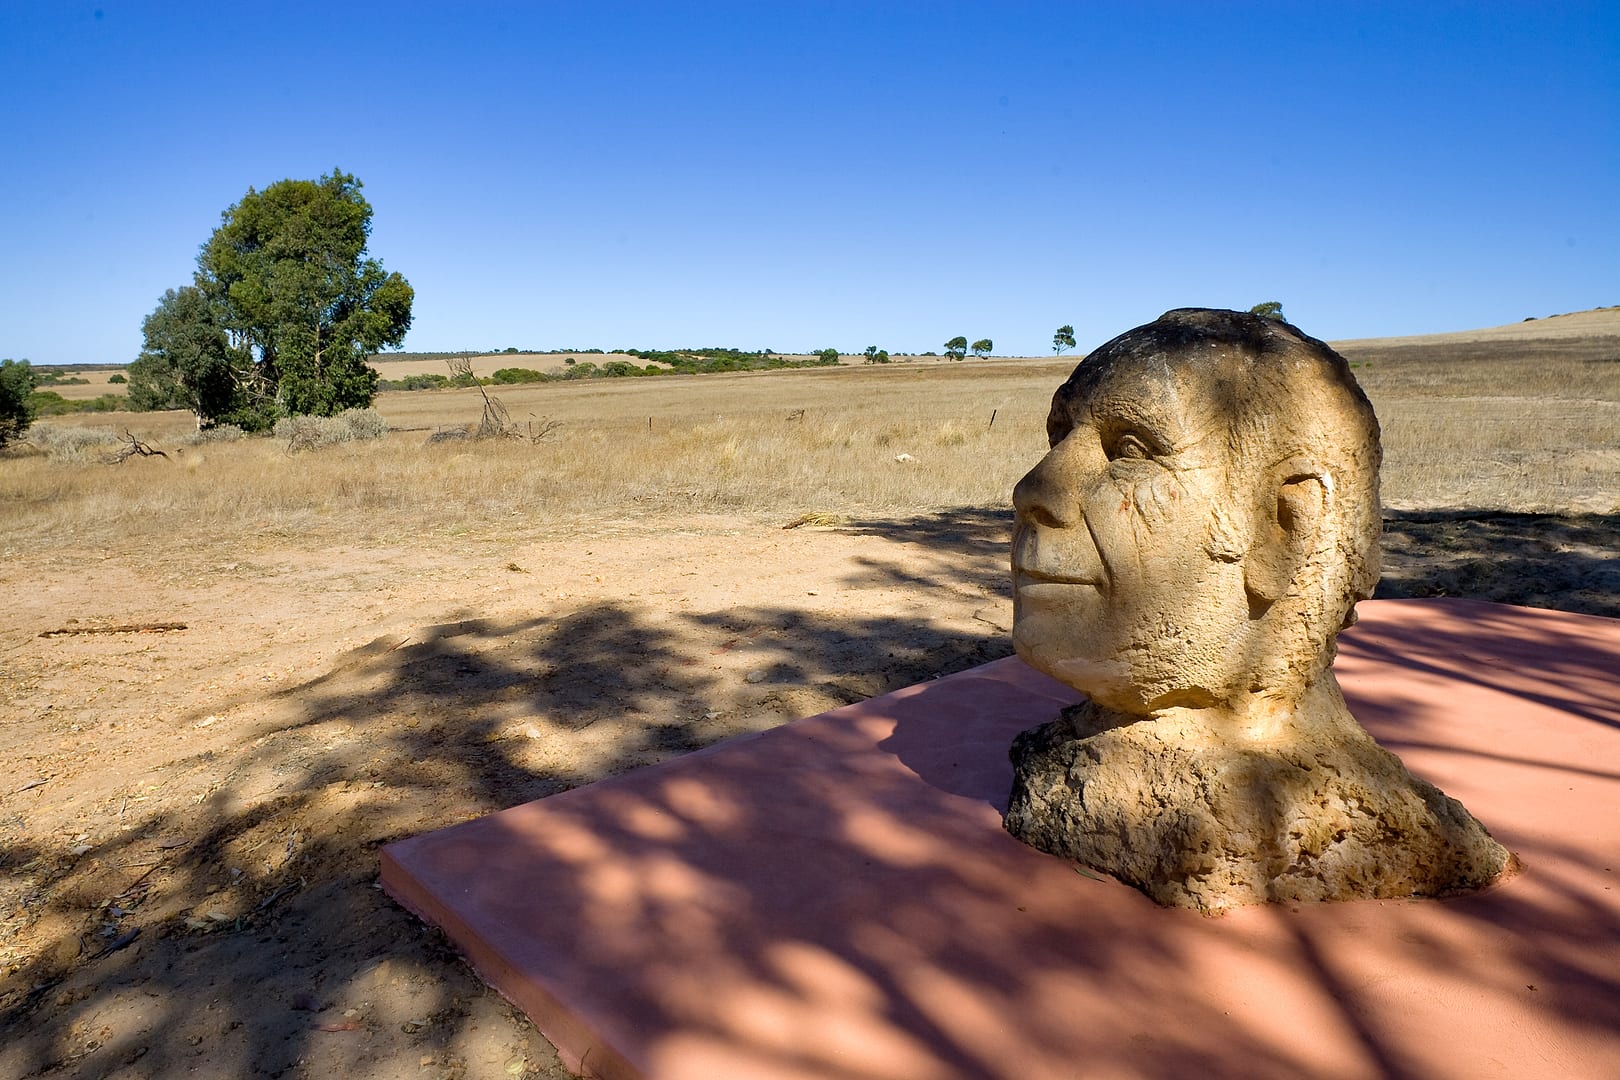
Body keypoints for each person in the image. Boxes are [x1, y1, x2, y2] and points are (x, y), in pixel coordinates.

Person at [1003, 309, 1508, 911]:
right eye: (1060, 440)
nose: (1034, 489)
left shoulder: (1337, 819)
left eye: (1130, 450)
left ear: (1286, 528)